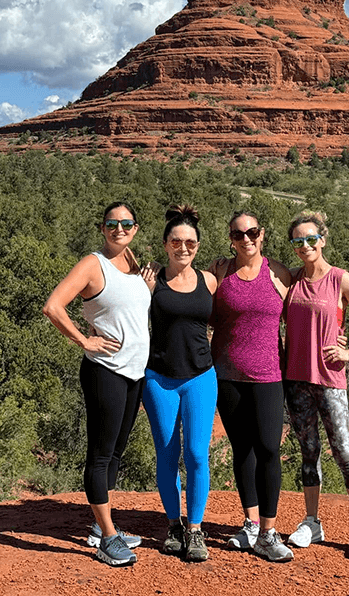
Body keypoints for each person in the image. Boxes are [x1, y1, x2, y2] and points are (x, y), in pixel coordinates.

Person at [42, 202, 153, 567]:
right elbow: (53, 306)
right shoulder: (93, 264)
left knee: (116, 451)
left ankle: (100, 525)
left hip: (134, 371)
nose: (119, 229)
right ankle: (107, 539)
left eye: (126, 223)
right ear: (101, 227)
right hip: (105, 370)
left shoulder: (133, 262)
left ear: (135, 228)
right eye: (111, 223)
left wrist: (146, 285)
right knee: (101, 454)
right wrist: (83, 340)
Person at [282, 210, 349, 559]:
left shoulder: (340, 279)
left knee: (342, 450)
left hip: (329, 379)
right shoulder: (293, 280)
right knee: (308, 452)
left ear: (322, 240)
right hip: (295, 378)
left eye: (311, 239)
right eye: (298, 241)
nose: (305, 246)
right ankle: (312, 521)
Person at [209, 211, 294, 562]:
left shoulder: (279, 272)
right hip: (227, 374)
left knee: (269, 449)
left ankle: (268, 532)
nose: (246, 239)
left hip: (270, 374)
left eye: (252, 232)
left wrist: (336, 334)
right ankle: (250, 522)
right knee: (242, 449)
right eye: (238, 233)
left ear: (263, 235)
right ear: (230, 238)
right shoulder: (220, 271)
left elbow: (302, 313)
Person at [141, 205, 218, 562]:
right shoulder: (151, 280)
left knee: (198, 455)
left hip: (201, 377)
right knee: (168, 456)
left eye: (189, 242)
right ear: (165, 243)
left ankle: (195, 529)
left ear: (198, 246)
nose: (182, 248)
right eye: (176, 241)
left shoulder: (209, 280)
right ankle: (173, 524)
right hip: (159, 379)